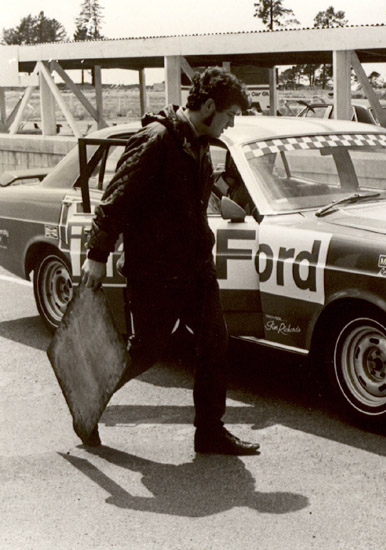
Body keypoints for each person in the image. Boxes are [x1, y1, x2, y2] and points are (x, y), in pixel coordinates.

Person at [81, 67, 259, 456]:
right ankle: (87, 403)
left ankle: (209, 432)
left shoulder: (200, 144)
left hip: (195, 270)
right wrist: (97, 255)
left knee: (215, 342)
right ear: (208, 107)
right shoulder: (156, 140)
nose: (231, 124)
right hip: (155, 273)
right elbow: (116, 200)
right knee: (146, 351)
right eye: (229, 115)